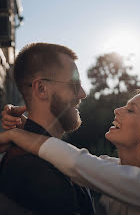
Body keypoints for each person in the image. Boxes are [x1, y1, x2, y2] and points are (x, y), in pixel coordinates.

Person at [0, 88, 140, 215]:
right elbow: (65, 157)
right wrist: (27, 125)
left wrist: (16, 136)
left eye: (131, 110)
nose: (117, 110)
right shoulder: (111, 168)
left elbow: (76, 163)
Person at [0, 42, 95, 215]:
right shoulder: (35, 169)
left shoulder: (41, 156)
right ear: (42, 89)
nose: (82, 93)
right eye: (74, 84)